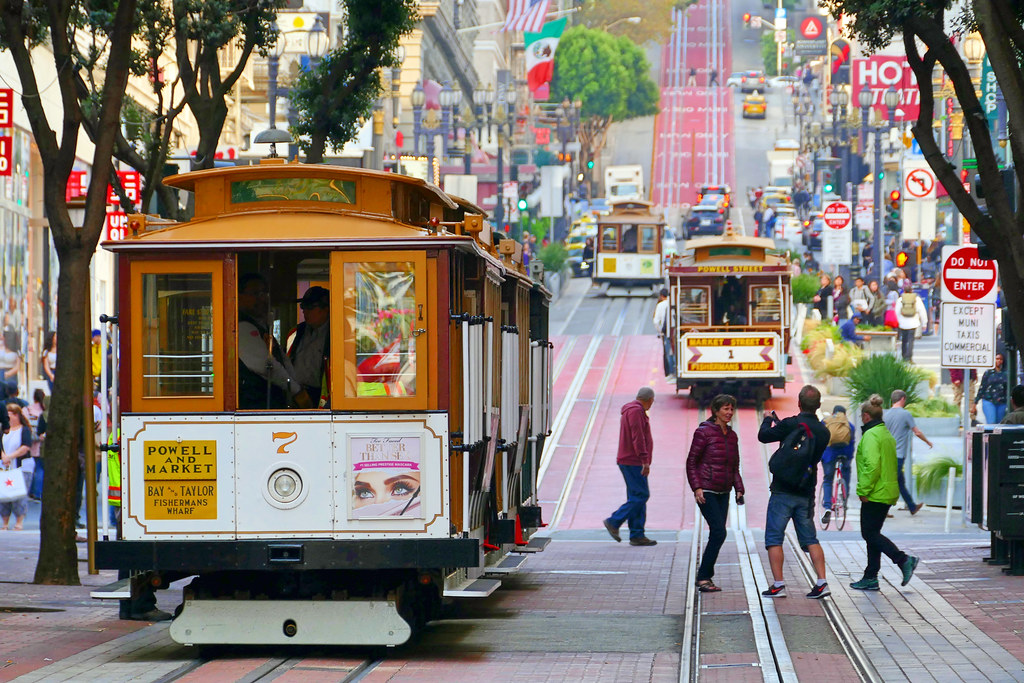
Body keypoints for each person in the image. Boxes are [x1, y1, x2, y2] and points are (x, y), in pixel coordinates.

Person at [757, 385, 832, 599]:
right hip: (806, 489)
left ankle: (778, 585)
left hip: (782, 489)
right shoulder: (824, 432)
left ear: (799, 403)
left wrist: (768, 419)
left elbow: (763, 436)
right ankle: (821, 582)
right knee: (810, 538)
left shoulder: (791, 424)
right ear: (818, 405)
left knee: (774, 537)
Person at [850, 395, 919, 591]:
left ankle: (903, 560)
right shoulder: (885, 434)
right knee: (873, 534)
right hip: (887, 491)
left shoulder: (871, 436)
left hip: (875, 492)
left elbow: (872, 466)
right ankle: (871, 576)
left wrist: (863, 490)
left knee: (869, 533)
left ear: (865, 416)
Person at [687, 394, 744, 592]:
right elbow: (691, 462)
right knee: (719, 532)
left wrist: (739, 489)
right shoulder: (703, 432)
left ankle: (705, 576)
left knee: (717, 533)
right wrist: (697, 487)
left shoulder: (732, 435)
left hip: (724, 490)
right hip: (707, 490)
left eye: (731, 409)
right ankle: (703, 577)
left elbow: (734, 466)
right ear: (716, 411)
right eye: (725, 409)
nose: (729, 413)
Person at [237, 273, 312, 410]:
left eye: (265, 293)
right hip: (254, 404)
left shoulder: (260, 326)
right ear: (239, 297)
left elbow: (282, 358)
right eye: (256, 293)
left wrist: (296, 385)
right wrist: (297, 391)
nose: (263, 299)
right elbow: (266, 366)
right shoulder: (242, 327)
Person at [604, 386, 657, 546]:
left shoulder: (633, 410)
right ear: (649, 400)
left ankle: (637, 534)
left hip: (630, 460)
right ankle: (614, 520)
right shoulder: (636, 411)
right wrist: (644, 460)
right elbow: (638, 437)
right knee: (641, 495)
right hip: (633, 461)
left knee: (636, 496)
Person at [884, 390, 931, 515]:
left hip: (887, 454)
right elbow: (917, 432)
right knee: (893, 483)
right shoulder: (905, 414)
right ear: (903, 399)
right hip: (898, 455)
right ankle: (882, 510)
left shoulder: (886, 415)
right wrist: (927, 442)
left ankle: (912, 507)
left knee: (899, 482)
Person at [286, 286, 331, 407]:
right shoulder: (296, 332)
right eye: (303, 307)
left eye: (310, 307)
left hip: (321, 397)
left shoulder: (335, 335)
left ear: (326, 309)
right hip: (296, 393)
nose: (305, 311)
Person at [1, 403, 34, 531]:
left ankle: (19, 521)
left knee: (19, 494)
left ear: (16, 415)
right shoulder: (3, 430)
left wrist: (11, 456)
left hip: (21, 466)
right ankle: (5, 521)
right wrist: (3, 456)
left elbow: (25, 447)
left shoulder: (24, 430)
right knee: (4, 494)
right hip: (4, 466)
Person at [821, 406, 855, 525]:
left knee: (828, 480)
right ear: (844, 414)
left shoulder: (826, 422)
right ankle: (844, 500)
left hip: (829, 454)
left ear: (832, 413)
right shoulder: (850, 425)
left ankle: (827, 507)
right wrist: (849, 460)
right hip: (845, 454)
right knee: (846, 474)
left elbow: (821, 441)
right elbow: (851, 444)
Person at [895, 284, 928, 361]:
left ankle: (903, 356)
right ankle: (909, 357)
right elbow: (922, 311)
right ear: (911, 290)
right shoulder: (917, 299)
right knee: (911, 340)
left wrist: (898, 321)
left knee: (904, 340)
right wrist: (924, 323)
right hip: (913, 322)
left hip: (902, 323)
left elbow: (897, 312)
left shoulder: (900, 299)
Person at [25, 388, 46, 500]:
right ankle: (37, 492)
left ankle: (30, 490)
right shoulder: (45, 411)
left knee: (30, 468)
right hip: (41, 443)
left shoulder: (27, 409)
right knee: (39, 468)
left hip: (29, 442)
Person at [975, 353, 1008, 423]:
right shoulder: (988, 373)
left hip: (1002, 401)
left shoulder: (1005, 373)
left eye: (1000, 359)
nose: (998, 361)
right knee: (991, 422)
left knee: (1000, 423)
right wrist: (975, 402)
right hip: (989, 400)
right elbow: (982, 387)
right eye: (997, 359)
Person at [652, 288, 676, 381]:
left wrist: (660, 332)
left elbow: (656, 321)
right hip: (675, 332)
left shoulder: (661, 305)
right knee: (675, 352)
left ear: (662, 296)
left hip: (666, 333)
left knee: (669, 353)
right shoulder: (674, 303)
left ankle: (672, 373)